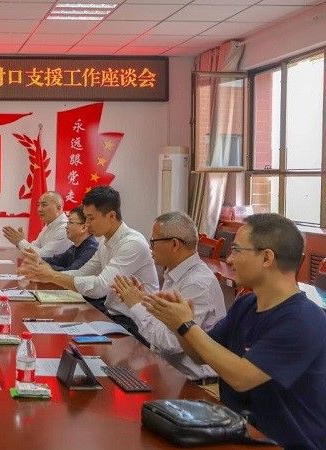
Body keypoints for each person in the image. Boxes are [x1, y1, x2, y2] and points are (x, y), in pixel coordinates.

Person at [143, 213, 326, 448]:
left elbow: (242, 377)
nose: (229, 259)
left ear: (267, 258)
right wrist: (178, 324)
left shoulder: (303, 320)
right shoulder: (246, 305)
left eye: (236, 250)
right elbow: (199, 354)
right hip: (238, 431)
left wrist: (186, 325)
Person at [18, 186, 159, 345]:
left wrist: (51, 275)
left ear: (111, 216)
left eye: (91, 218)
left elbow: (99, 287)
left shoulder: (132, 244)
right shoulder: (105, 242)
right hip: (112, 318)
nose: (87, 224)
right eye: (85, 218)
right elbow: (82, 273)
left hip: (136, 326)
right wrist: (45, 274)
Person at [111, 211, 226, 382]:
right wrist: (143, 299)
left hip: (194, 384)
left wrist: (136, 305)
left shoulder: (197, 284)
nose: (150, 246)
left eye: (153, 241)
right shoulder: (175, 273)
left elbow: (171, 343)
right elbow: (164, 323)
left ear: (174, 244)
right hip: (168, 372)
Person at [2, 191, 71, 258]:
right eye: (38, 205)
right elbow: (35, 246)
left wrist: (20, 241)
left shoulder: (65, 228)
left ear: (59, 208)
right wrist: (19, 242)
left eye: (44, 205)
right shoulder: (49, 225)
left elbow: (44, 256)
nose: (39, 209)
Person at [42, 206, 98, 271]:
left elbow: (71, 273)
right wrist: (37, 259)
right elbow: (56, 260)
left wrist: (44, 266)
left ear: (83, 228)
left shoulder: (91, 249)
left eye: (70, 222)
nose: (66, 227)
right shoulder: (75, 247)